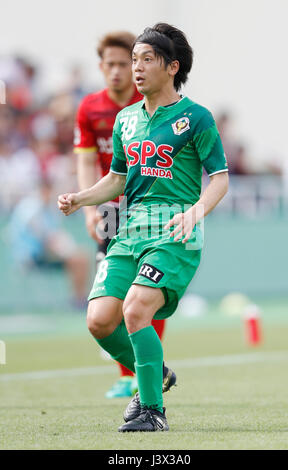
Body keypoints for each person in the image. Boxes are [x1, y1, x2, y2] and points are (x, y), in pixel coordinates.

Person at [58, 23, 229, 432]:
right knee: (99, 319)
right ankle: (156, 372)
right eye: (134, 59)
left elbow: (220, 177)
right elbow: (117, 180)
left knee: (135, 310)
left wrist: (196, 212)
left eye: (146, 59)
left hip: (174, 232)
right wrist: (82, 197)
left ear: (171, 67)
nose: (137, 68)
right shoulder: (125, 120)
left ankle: (152, 411)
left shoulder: (196, 118)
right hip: (129, 230)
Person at [73, 31, 167, 398]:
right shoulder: (89, 109)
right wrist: (87, 206)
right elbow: (84, 162)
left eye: (122, 64)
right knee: (109, 294)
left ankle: (144, 369)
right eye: (108, 64)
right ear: (101, 67)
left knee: (146, 289)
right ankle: (128, 372)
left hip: (148, 207)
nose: (115, 71)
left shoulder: (152, 104)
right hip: (110, 208)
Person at [10, 178, 89, 308]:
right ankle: (78, 300)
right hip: (32, 256)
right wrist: (67, 251)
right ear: (43, 190)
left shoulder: (47, 209)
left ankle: (78, 298)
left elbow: (55, 235)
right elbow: (46, 238)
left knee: (80, 258)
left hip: (43, 254)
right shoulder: (31, 208)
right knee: (78, 260)